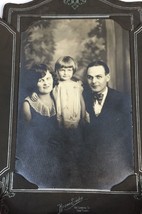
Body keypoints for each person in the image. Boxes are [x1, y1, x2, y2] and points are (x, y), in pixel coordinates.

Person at [82, 60, 134, 190]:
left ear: (107, 77)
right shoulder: (82, 98)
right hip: (88, 164)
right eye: (90, 77)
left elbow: (128, 135)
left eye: (98, 76)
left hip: (115, 164)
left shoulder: (123, 100)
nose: (94, 81)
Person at [15, 64, 63, 188]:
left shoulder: (59, 98)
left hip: (60, 152)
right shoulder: (28, 103)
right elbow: (27, 135)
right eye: (40, 80)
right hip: (38, 155)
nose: (46, 83)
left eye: (48, 78)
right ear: (34, 83)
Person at [53, 56, 86, 129]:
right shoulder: (57, 86)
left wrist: (83, 117)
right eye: (62, 70)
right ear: (57, 71)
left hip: (76, 118)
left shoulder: (76, 85)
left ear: (73, 71)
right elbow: (55, 103)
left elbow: (82, 102)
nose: (65, 73)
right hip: (62, 119)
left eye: (69, 70)